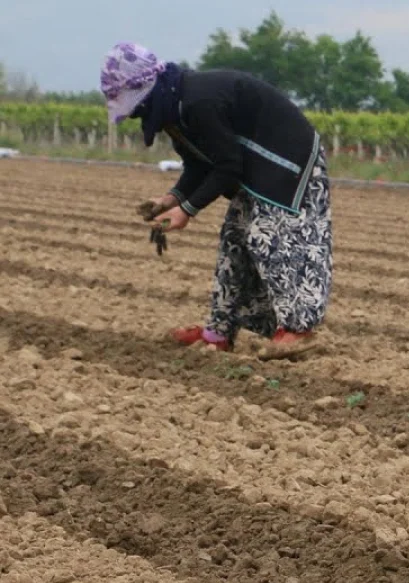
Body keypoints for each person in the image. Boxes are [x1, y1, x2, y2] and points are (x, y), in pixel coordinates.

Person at [100, 42, 332, 359]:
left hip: (289, 160)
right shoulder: (176, 107)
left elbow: (227, 166)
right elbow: (201, 163)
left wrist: (188, 211)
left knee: (268, 235)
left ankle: (298, 329)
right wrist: (172, 198)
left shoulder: (196, 102)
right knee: (234, 239)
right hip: (254, 166)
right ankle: (218, 334)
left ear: (144, 89)